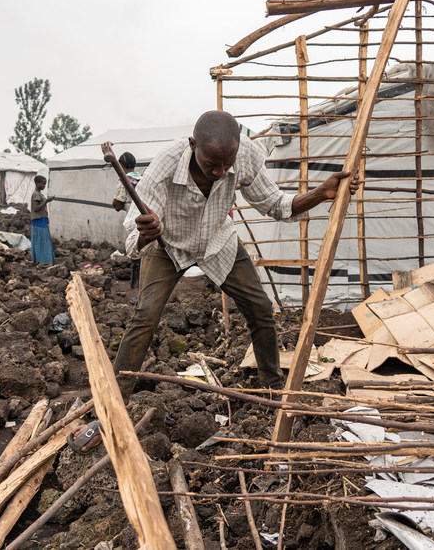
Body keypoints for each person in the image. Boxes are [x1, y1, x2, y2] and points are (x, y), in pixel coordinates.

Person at [71, 110, 359, 452]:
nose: (220, 172)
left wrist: (321, 193)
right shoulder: (166, 165)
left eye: (227, 164)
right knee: (144, 317)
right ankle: (111, 410)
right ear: (193, 146)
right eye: (211, 165)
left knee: (260, 309)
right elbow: (132, 240)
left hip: (217, 242)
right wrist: (147, 232)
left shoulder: (248, 154)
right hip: (168, 245)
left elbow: (276, 205)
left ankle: (271, 388)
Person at [111, 151, 142, 288]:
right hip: (148, 217)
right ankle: (143, 282)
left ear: (121, 165)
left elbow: (117, 204)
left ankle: (136, 284)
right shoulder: (142, 178)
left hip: (134, 221)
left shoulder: (124, 180)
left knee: (135, 251)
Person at [29, 175, 55, 265]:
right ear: (37, 183)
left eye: (45, 184)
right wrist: (47, 201)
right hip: (38, 220)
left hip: (42, 219)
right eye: (42, 184)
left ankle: (42, 260)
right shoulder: (36, 194)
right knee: (42, 241)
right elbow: (36, 208)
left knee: (43, 241)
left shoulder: (40, 194)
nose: (44, 186)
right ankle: (44, 260)